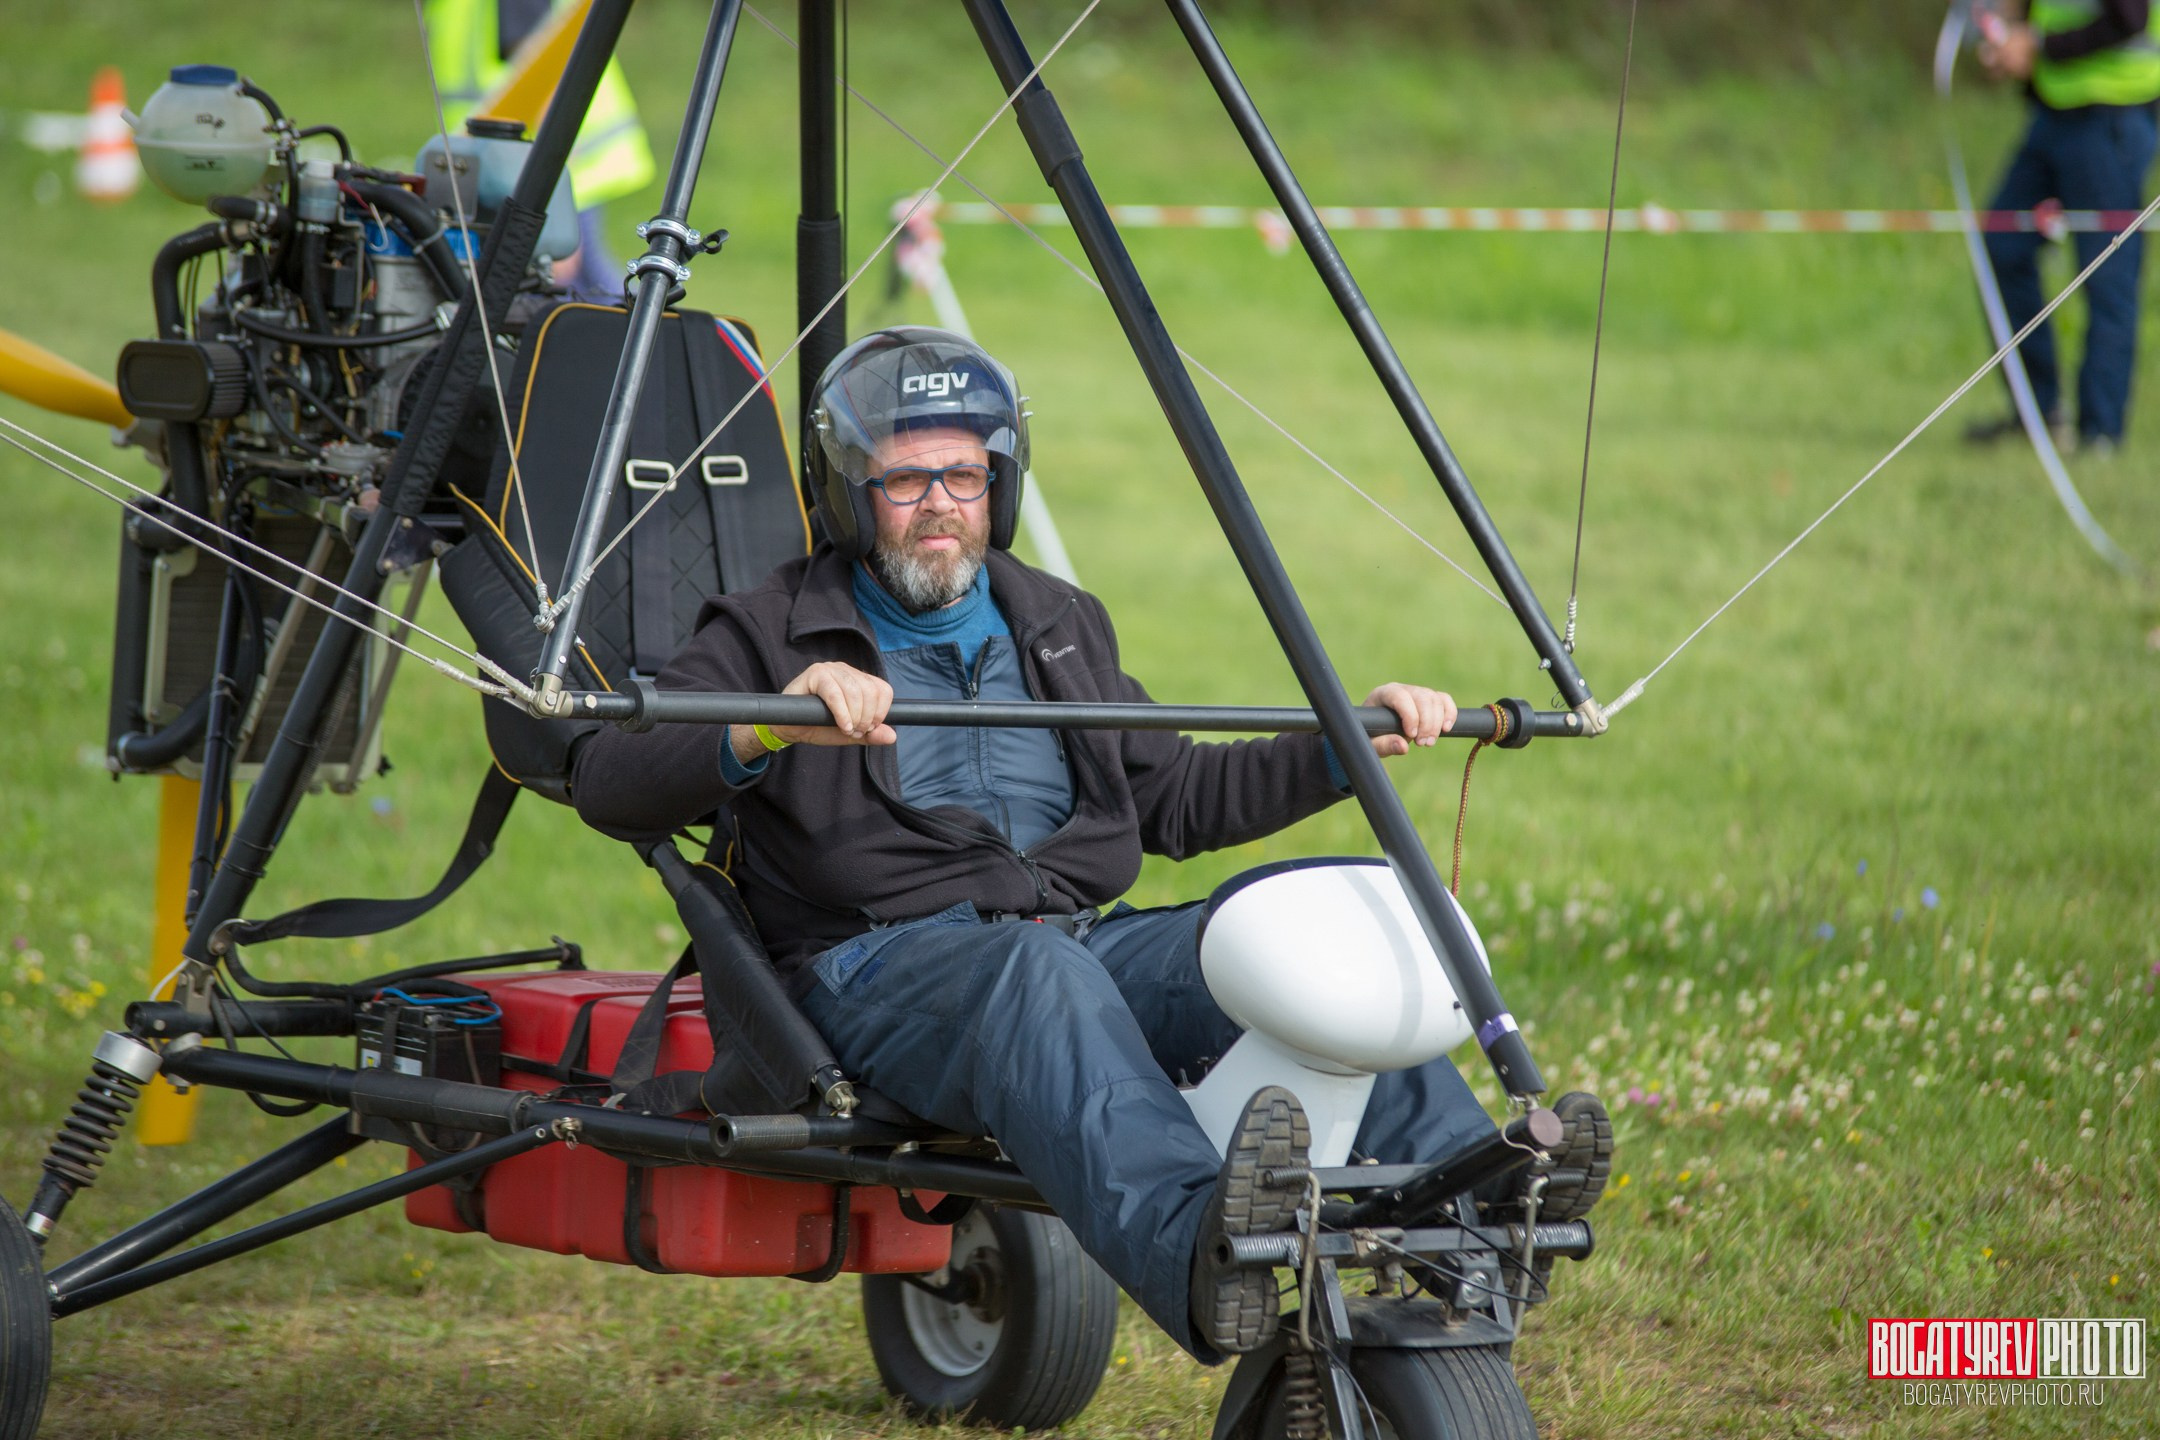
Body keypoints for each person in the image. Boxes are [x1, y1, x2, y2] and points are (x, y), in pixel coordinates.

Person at [571, 327, 1609, 1361]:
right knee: (1037, 972)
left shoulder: (1058, 621)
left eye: (966, 474)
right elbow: (611, 782)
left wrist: (1347, 742)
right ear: (847, 494)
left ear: (1001, 483)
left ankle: (1481, 1211)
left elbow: (1180, 798)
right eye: (905, 479)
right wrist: (760, 723)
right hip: (871, 974)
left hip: (1072, 941)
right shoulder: (769, 630)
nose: (941, 502)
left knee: (1284, 941)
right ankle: (1208, 1250)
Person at [1968, 0, 2160, 456]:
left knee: (2106, 275)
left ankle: (2100, 434)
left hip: (2114, 115)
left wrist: (2037, 46)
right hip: (2054, 114)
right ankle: (2039, 413)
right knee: (2001, 242)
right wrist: (2011, 38)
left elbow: (2128, 18)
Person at [424, 0, 656, 300]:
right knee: (590, 292)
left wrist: (555, 206)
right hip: (514, 167)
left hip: (548, 172)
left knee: (586, 295)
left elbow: (549, 74)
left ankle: (650, 340)